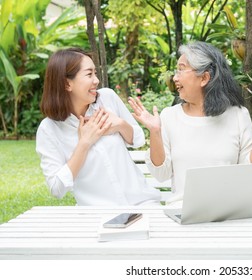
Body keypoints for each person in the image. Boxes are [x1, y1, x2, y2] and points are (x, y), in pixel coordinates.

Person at [129, 41, 252, 201]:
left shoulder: (238, 115)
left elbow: (251, 171)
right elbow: (161, 174)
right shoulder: (169, 116)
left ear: (204, 78)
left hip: (229, 212)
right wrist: (155, 132)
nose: (175, 78)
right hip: (184, 214)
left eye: (181, 70)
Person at [36, 47, 160, 206]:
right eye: (89, 74)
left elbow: (138, 140)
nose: (96, 80)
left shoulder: (107, 98)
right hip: (97, 215)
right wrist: (84, 144)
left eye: (95, 73)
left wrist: (120, 125)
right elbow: (57, 189)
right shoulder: (49, 129)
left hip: (143, 203)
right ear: (67, 84)